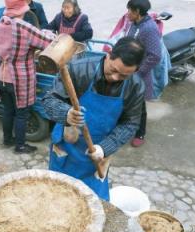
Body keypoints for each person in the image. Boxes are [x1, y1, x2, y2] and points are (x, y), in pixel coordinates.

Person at [42, 37, 145, 201]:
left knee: (92, 200)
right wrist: (66, 114)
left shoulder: (136, 86)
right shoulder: (78, 69)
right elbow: (49, 101)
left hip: (97, 154)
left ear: (135, 70)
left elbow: (130, 123)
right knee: (58, 196)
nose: (116, 78)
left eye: (124, 76)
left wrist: (105, 148)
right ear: (109, 55)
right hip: (66, 149)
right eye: (113, 70)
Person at [0, 0, 54, 154]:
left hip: (1, 75)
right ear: (22, 9)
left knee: (8, 110)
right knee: (22, 113)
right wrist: (48, 33)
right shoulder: (24, 27)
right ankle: (20, 146)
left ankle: (7, 140)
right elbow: (48, 43)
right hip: (19, 78)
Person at [125, 0, 167, 147]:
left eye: (130, 10)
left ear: (137, 11)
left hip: (139, 74)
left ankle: (140, 133)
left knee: (139, 106)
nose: (127, 13)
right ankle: (124, 127)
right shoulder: (135, 23)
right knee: (125, 101)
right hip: (127, 70)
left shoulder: (149, 28)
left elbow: (155, 55)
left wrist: (138, 71)